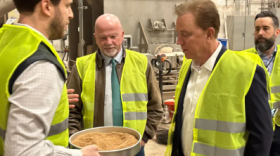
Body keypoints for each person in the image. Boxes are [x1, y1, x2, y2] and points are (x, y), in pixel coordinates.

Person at [165, 1, 273, 156]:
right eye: (178, 33)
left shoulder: (246, 71)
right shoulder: (187, 67)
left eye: (185, 34)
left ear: (209, 33)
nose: (178, 41)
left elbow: (261, 136)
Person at [0, 0, 100, 156]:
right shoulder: (40, 63)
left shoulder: (7, 39)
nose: (71, 14)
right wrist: (79, 155)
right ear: (46, 6)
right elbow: (23, 152)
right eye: (67, 5)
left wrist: (44, 97)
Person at [67, 13, 163, 156]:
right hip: (94, 149)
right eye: (103, 38)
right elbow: (71, 110)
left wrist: (144, 137)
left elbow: (155, 106)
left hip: (133, 147)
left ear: (122, 35)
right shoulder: (81, 66)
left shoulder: (141, 63)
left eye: (113, 36)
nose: (109, 42)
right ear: (95, 38)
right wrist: (78, 141)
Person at [243, 11, 280, 156]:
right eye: (257, 29)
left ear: (277, 32)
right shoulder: (244, 58)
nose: (260, 33)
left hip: (278, 127)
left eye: (265, 28)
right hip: (252, 128)